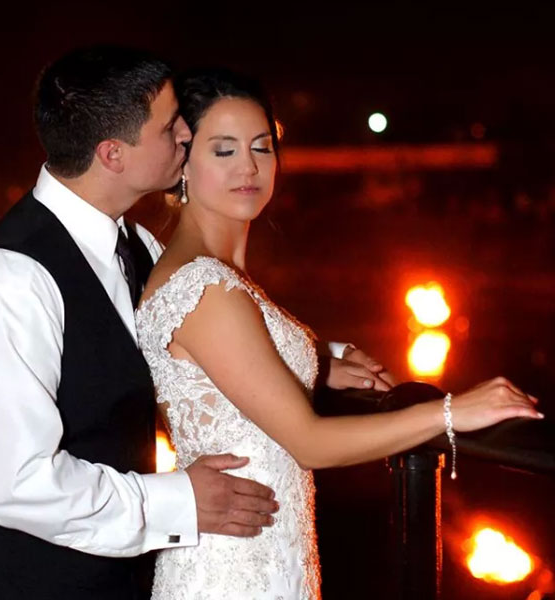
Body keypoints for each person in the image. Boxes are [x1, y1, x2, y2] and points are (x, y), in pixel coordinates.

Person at [135, 67, 544, 599]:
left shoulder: (214, 274)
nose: (249, 168)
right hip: (232, 571)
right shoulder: (204, 285)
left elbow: (232, 370)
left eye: (262, 147)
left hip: (267, 552)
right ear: (182, 163)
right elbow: (309, 442)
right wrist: (449, 412)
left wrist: (318, 362)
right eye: (224, 150)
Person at [0, 47, 284, 600]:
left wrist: (318, 358)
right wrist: (178, 501)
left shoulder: (134, 244)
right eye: (170, 126)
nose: (186, 133)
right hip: (11, 585)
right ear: (112, 153)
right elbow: (14, 483)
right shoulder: (8, 283)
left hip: (110, 579)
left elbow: (196, 338)